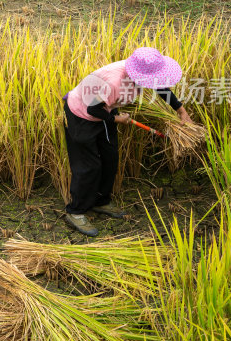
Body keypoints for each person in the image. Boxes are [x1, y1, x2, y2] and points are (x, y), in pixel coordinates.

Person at [62, 47, 192, 237]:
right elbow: (92, 110)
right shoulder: (115, 82)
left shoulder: (140, 74)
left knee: (110, 158)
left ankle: (101, 201)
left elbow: (161, 87)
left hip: (105, 110)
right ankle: (76, 211)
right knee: (89, 166)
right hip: (82, 114)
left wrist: (181, 111)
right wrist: (117, 120)